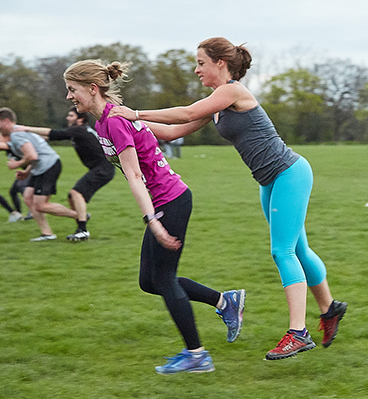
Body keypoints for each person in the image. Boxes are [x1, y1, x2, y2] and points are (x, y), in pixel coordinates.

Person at [109, 37, 347, 360]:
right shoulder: (217, 102)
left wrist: (134, 113)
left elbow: (186, 112)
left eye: (201, 63)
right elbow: (172, 131)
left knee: (282, 251)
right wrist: (121, 122)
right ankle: (330, 308)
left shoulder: (232, 91)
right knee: (299, 249)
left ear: (220, 63)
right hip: (270, 182)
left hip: (290, 174)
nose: (196, 70)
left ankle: (298, 333)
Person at [63, 59, 245, 374]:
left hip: (169, 200)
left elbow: (134, 175)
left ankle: (197, 355)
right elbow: (171, 134)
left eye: (72, 90)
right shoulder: (105, 121)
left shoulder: (116, 121)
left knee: (162, 278)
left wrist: (153, 221)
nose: (69, 97)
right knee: (149, 281)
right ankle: (224, 302)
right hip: (165, 200)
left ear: (93, 89)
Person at [16, 106, 116, 240]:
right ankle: (81, 223)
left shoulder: (79, 130)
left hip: (103, 168)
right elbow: (52, 136)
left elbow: (55, 134)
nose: (68, 118)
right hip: (101, 168)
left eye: (71, 116)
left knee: (76, 193)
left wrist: (26, 128)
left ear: (80, 119)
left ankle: (83, 229)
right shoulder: (80, 130)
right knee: (71, 196)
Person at [0, 107, 80, 241]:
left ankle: (79, 216)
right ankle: (47, 233)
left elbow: (32, 155)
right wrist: (26, 173)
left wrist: (17, 164)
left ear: (6, 121)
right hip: (41, 167)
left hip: (48, 166)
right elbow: (34, 155)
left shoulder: (16, 134)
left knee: (41, 205)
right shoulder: (18, 131)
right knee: (28, 197)